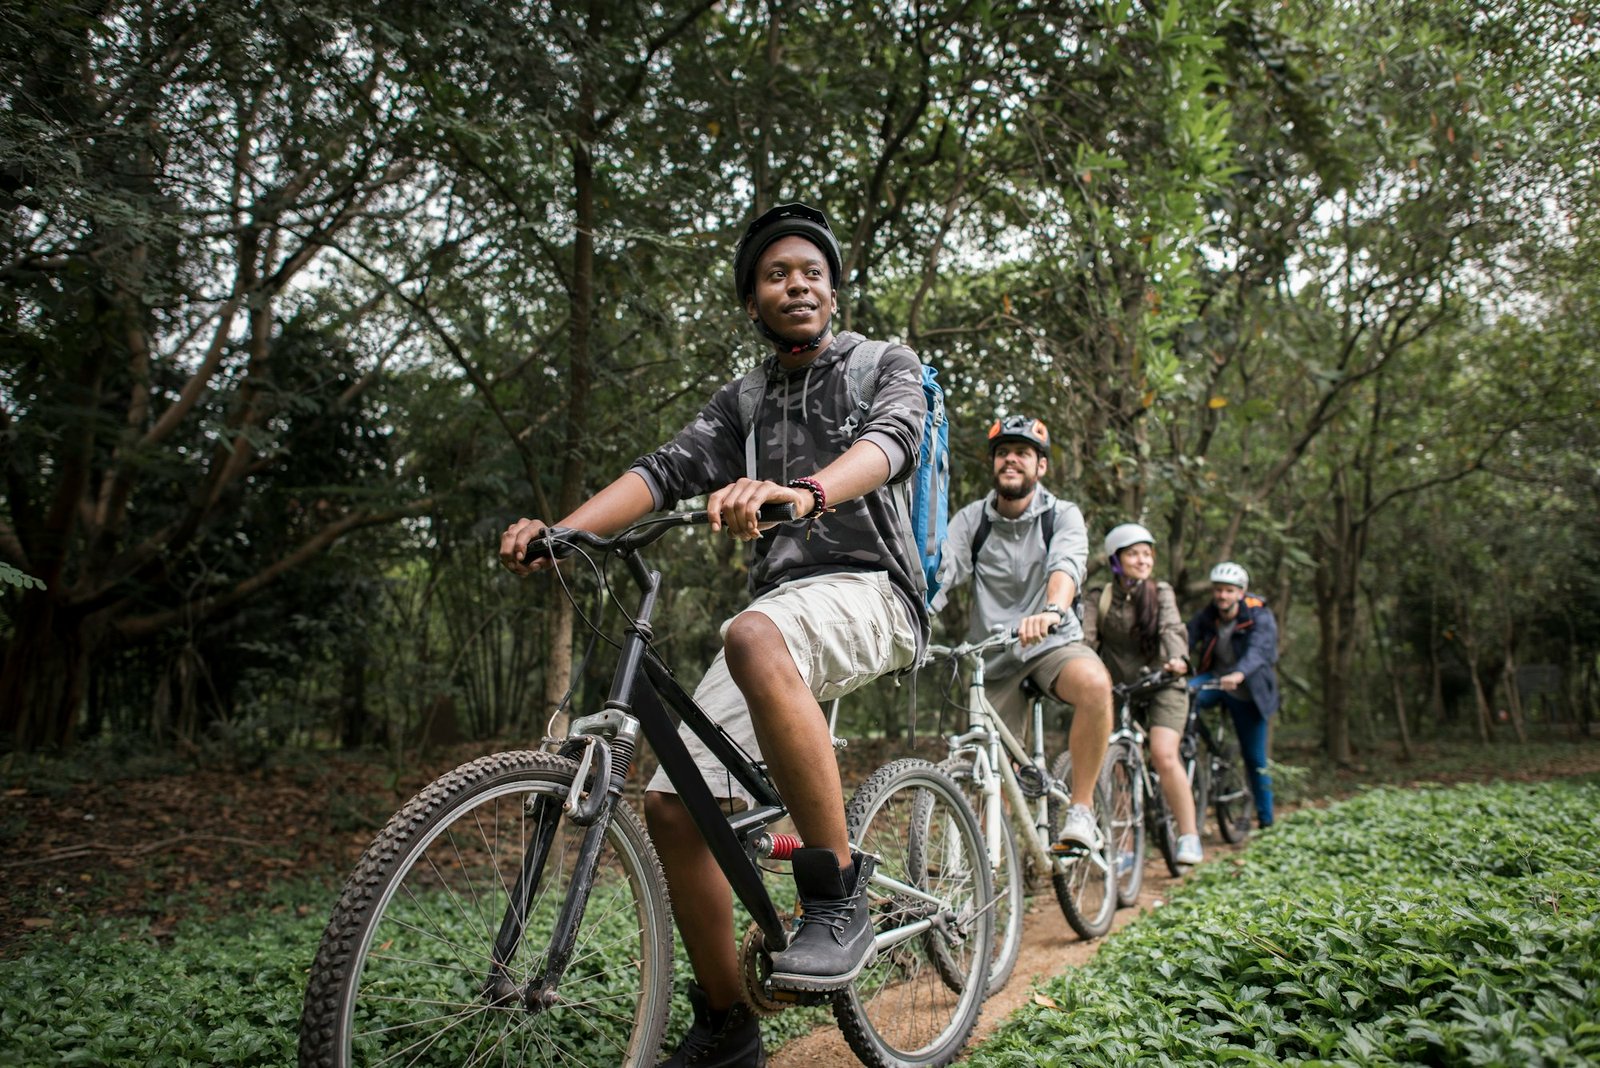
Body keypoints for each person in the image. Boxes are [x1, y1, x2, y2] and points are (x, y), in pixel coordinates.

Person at [500, 202, 928, 1068]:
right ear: (753, 303)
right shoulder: (744, 399)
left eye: (810, 271)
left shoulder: (885, 363)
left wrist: (804, 492)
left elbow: (893, 444)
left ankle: (836, 892)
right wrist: (568, 532)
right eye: (776, 275)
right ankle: (730, 1025)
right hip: (775, 616)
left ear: (834, 293)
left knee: (751, 631)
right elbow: (663, 471)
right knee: (672, 807)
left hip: (874, 592)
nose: (796, 283)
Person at [930, 415, 1113, 853]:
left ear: (1040, 467)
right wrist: (914, 617)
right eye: (1003, 453)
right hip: (993, 655)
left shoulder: (1061, 515)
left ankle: (1083, 811)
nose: (1011, 459)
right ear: (993, 464)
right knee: (985, 766)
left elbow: (1066, 566)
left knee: (1094, 684)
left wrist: (1051, 610)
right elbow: (943, 571)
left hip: (1051, 642)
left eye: (1023, 453)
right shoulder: (973, 520)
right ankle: (996, 863)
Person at [1081, 524, 1202, 864]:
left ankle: (1189, 835)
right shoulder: (1098, 597)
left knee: (1163, 754)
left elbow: (1172, 628)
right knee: (1117, 764)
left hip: (1164, 683)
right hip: (1121, 689)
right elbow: (1087, 640)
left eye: (1147, 553)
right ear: (1116, 561)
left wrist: (1178, 658)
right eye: (1134, 553)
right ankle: (1126, 848)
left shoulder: (1160, 591)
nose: (1143, 560)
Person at [1187, 561, 1279, 829]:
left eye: (1229, 591)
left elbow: (1260, 650)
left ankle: (1266, 820)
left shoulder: (1259, 616)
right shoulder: (1208, 615)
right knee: (1183, 695)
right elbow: (1187, 637)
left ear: (1241, 592)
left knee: (1255, 757)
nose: (1222, 596)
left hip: (1248, 691)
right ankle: (1191, 746)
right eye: (1218, 590)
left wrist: (1239, 674)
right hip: (1214, 681)